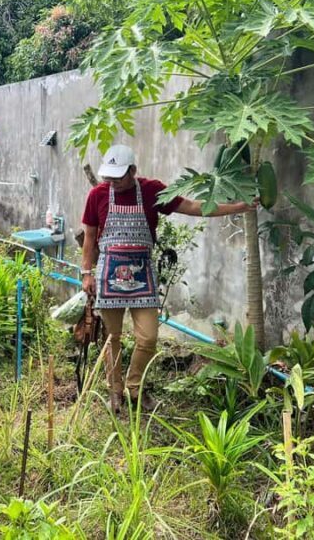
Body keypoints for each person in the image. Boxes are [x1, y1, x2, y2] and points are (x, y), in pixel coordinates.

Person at [80, 144, 256, 412]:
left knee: (148, 337)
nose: (112, 183)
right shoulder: (97, 195)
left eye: (118, 177)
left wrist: (237, 208)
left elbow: (192, 206)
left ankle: (134, 387)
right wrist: (86, 273)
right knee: (111, 337)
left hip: (142, 276)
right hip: (108, 275)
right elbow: (90, 238)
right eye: (109, 177)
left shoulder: (151, 190)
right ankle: (114, 391)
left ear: (133, 171)